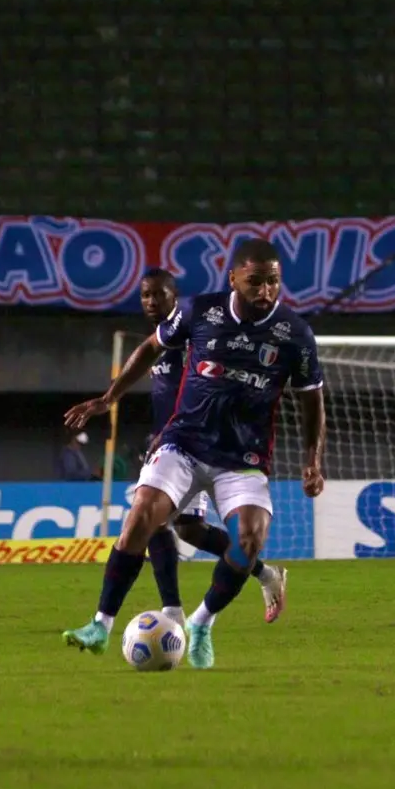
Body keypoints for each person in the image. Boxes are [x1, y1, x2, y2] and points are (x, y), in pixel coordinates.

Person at [61, 239, 325, 668]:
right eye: (255, 282)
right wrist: (109, 397)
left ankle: (201, 622)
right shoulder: (201, 311)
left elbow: (312, 399)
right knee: (144, 515)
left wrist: (312, 460)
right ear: (233, 278)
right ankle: (100, 625)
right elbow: (151, 347)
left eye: (273, 282)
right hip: (183, 443)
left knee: (248, 542)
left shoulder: (295, 334)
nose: (265, 292)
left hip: (243, 459)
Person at [135, 268, 288, 627]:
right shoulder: (160, 343)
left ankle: (172, 611)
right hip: (172, 443)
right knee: (186, 529)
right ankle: (265, 575)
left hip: (205, 445)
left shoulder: (197, 332)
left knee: (160, 523)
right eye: (145, 295)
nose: (151, 302)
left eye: (159, 295)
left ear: (176, 297)